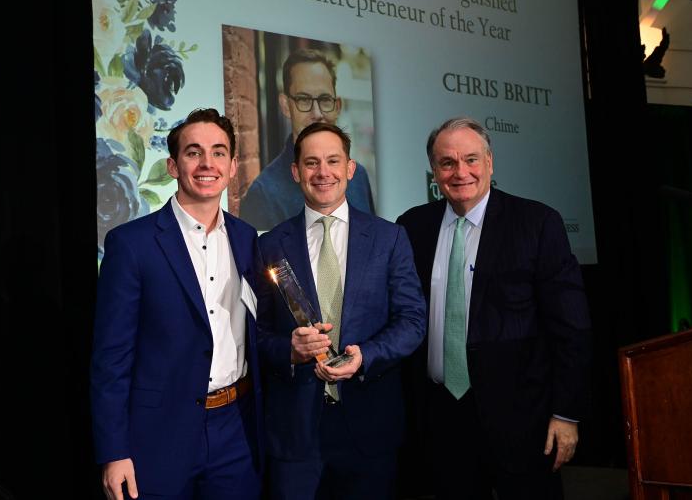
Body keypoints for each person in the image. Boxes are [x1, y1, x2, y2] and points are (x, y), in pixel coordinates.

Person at [396, 117, 592, 500]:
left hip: (523, 420)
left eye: (471, 159)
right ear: (434, 171)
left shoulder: (537, 222)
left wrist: (566, 413)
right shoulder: (411, 226)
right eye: (447, 163)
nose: (460, 172)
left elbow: (572, 327)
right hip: (441, 418)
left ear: (490, 162)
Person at [91, 108, 264, 500]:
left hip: (236, 430)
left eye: (219, 152)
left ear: (233, 166)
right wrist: (114, 452)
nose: (207, 163)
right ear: (172, 165)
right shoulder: (131, 244)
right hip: (158, 435)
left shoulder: (247, 238)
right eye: (193, 152)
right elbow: (111, 359)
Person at [256, 122, 426, 499]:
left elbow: (413, 320)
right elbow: (258, 333)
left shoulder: (389, 238)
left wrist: (366, 356)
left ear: (350, 168)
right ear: (296, 172)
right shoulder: (270, 245)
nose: (323, 172)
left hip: (369, 427)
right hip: (295, 434)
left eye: (333, 161)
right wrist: (289, 350)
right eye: (312, 162)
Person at [239, 48, 375, 230]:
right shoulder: (264, 196)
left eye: (325, 99)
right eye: (304, 100)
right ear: (286, 106)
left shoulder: (358, 177)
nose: (317, 113)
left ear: (337, 106)